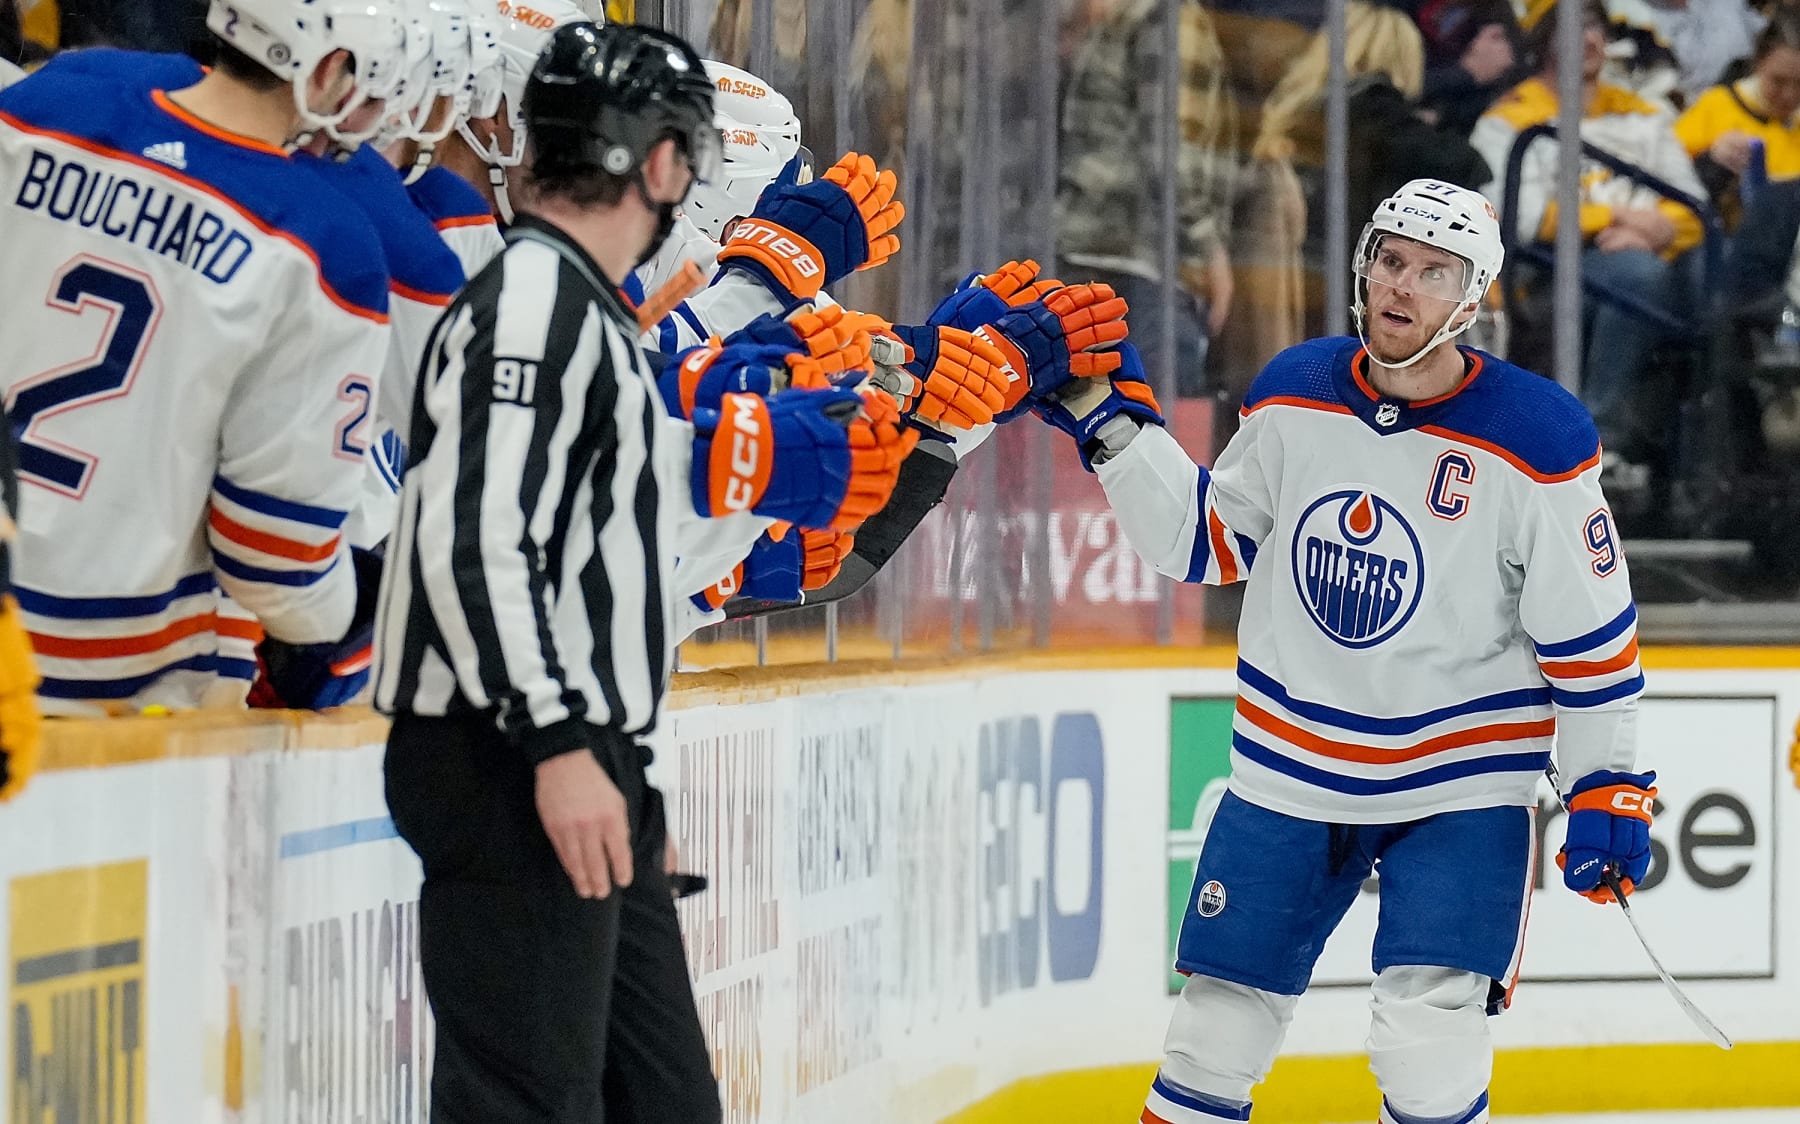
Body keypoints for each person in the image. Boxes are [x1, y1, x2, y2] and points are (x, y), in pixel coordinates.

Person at [373, 20, 915, 1121]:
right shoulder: (533, 303)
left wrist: (625, 771)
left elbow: (586, 546)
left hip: (581, 749)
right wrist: (563, 747)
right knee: (527, 1104)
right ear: (662, 164)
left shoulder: (583, 304)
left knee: (663, 1101)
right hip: (510, 755)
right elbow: (473, 540)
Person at [1027, 180, 1653, 1124]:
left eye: (1433, 272)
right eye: (1390, 261)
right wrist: (1110, 424)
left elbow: (1592, 641)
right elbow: (1207, 542)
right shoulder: (1297, 389)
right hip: (1288, 771)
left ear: (1472, 298)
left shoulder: (1536, 436)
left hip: (1460, 784)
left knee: (1428, 1047)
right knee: (1213, 1032)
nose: (1401, 287)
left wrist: (1608, 784)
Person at [0, 0, 396, 713]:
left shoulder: (37, 110)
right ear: (328, 69)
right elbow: (275, 562)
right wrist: (359, 611)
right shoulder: (323, 244)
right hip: (102, 679)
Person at [1473, 0, 1706, 464]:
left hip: (1643, 255)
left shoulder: (1644, 113)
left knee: (1705, 273)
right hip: (1544, 273)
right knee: (1638, 275)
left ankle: (1707, 449)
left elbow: (1694, 206)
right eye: (1571, 27)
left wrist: (1657, 232)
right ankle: (1599, 438)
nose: (1588, 38)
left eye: (1595, 26)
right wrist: (1617, 218)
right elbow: (1520, 218)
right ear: (1543, 42)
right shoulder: (1508, 120)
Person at [1676, 11, 1800, 224]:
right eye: (1778, 81)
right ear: (1758, 63)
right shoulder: (1717, 105)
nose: (1790, 95)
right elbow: (1667, 179)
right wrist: (1711, 162)